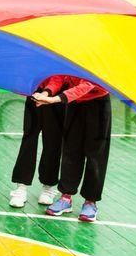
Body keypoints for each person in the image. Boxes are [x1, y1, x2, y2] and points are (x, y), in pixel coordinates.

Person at [39, 75, 112, 223]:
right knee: (71, 150)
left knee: (96, 156)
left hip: (98, 104)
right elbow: (60, 77)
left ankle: (90, 202)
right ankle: (65, 198)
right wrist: (47, 92)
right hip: (74, 103)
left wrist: (55, 99)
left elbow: (87, 85)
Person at [8, 77, 65, 208]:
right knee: (28, 140)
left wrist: (46, 93)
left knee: (53, 142)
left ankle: (48, 186)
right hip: (35, 95)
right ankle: (21, 187)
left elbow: (58, 77)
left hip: (57, 97)